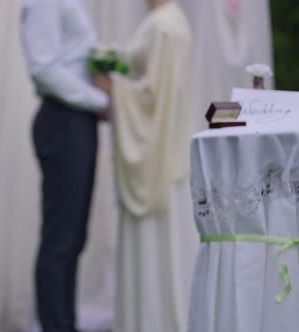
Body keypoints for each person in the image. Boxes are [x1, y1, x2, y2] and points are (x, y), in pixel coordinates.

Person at [95, 1, 198, 331]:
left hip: (158, 149)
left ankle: (154, 320)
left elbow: (155, 96)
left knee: (157, 235)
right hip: (169, 144)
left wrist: (113, 89)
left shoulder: (162, 26)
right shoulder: (169, 20)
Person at [20, 0, 110, 330]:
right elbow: (42, 68)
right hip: (63, 119)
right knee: (61, 238)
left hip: (76, 120)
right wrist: (101, 101)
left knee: (72, 237)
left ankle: (63, 324)